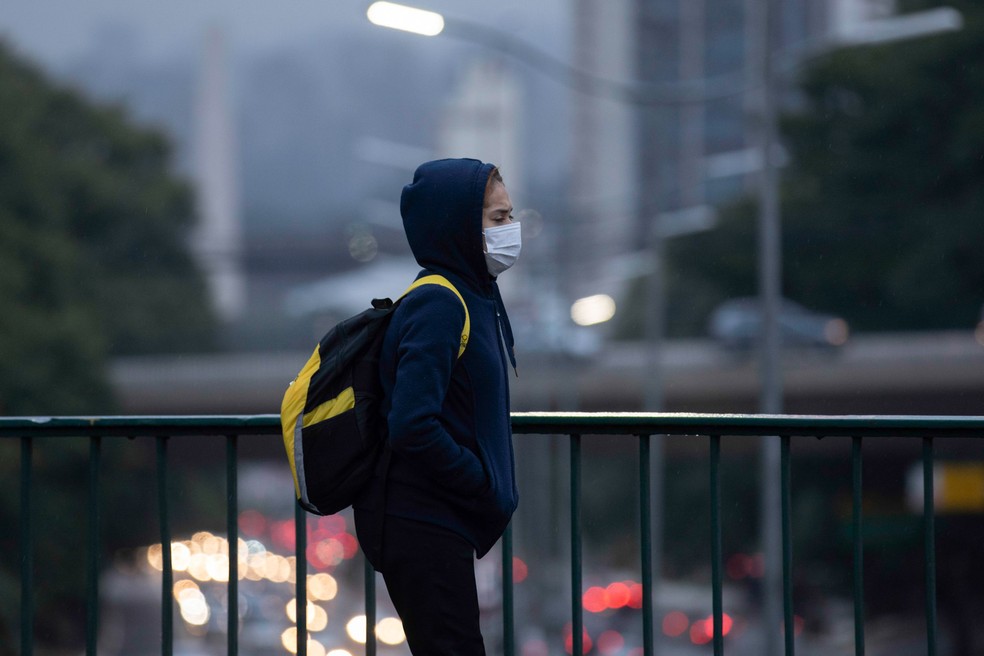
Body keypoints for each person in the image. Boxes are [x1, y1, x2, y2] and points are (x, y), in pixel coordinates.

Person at [354, 158, 521, 655]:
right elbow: (412, 424)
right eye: (496, 218)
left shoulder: (474, 296)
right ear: (456, 226)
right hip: (422, 524)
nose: (509, 230)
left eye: (510, 215)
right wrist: (480, 480)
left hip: (441, 523)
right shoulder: (440, 304)